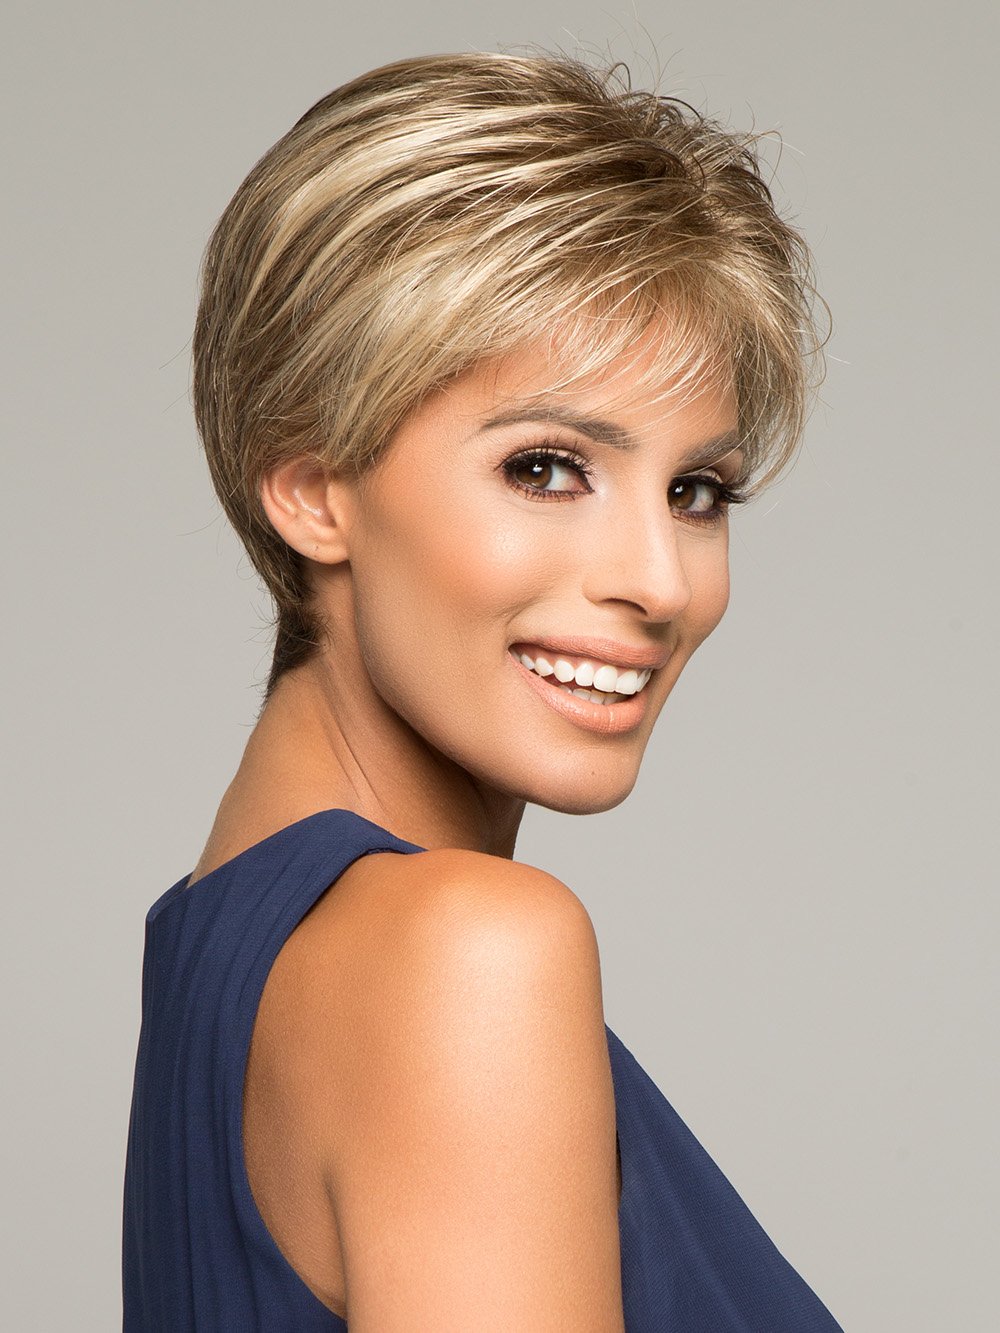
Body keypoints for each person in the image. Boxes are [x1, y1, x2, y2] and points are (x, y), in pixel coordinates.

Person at [122, 50, 841, 1330]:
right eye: (547, 468)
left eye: (696, 491)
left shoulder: (222, 943)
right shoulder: (465, 953)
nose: (657, 580)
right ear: (313, 488)